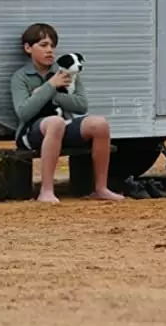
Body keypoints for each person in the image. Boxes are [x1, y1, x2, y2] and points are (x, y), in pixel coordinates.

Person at [10, 22, 124, 203]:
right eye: (43, 45)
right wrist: (50, 85)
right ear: (28, 48)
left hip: (64, 125)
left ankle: (101, 188)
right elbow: (24, 113)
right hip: (32, 131)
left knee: (100, 124)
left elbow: (81, 105)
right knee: (55, 122)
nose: (50, 51)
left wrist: (51, 94)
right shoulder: (21, 77)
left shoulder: (65, 72)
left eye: (52, 46)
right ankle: (46, 191)